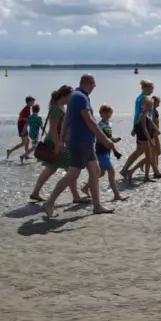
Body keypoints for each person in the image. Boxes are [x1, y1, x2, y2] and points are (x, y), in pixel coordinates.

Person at [43, 74, 115, 217]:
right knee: (72, 175)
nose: (94, 88)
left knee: (95, 172)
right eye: (94, 85)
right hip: (79, 143)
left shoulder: (75, 96)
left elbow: (66, 121)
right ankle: (49, 202)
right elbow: (90, 121)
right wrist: (105, 139)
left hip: (85, 142)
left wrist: (63, 140)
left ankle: (97, 206)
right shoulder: (80, 97)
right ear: (89, 83)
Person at [29, 86, 87, 204]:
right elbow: (54, 129)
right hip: (56, 142)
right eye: (71, 95)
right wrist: (57, 145)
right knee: (70, 169)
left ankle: (35, 192)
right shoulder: (55, 108)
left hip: (60, 141)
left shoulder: (61, 106)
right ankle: (75, 196)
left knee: (51, 170)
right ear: (64, 95)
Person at [83, 105, 127, 202]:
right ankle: (116, 194)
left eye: (109, 112)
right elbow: (98, 139)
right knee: (111, 172)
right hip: (101, 151)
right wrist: (110, 140)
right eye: (105, 112)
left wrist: (112, 141)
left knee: (101, 173)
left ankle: (85, 188)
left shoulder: (109, 124)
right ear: (101, 114)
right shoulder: (100, 125)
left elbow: (108, 137)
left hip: (107, 151)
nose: (107, 114)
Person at [120, 79, 155, 181]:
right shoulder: (143, 99)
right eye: (151, 89)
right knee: (147, 154)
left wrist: (134, 127)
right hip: (143, 127)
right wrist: (136, 127)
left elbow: (136, 115)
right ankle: (128, 171)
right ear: (145, 88)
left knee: (138, 151)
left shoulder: (140, 98)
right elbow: (139, 114)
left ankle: (124, 170)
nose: (152, 91)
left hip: (140, 126)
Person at [132, 95, 161, 176]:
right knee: (151, 155)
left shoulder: (149, 113)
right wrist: (151, 137)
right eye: (157, 102)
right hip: (150, 136)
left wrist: (157, 130)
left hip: (153, 135)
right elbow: (145, 127)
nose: (159, 104)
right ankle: (154, 172)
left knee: (153, 155)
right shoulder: (146, 113)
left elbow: (151, 122)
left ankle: (154, 171)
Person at [6, 96, 35, 160]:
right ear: (29, 102)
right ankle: (10, 151)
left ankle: (26, 155)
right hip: (22, 127)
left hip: (23, 126)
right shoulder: (27, 109)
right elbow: (22, 117)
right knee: (24, 142)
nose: (33, 103)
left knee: (27, 142)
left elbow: (21, 115)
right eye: (32, 101)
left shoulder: (27, 108)